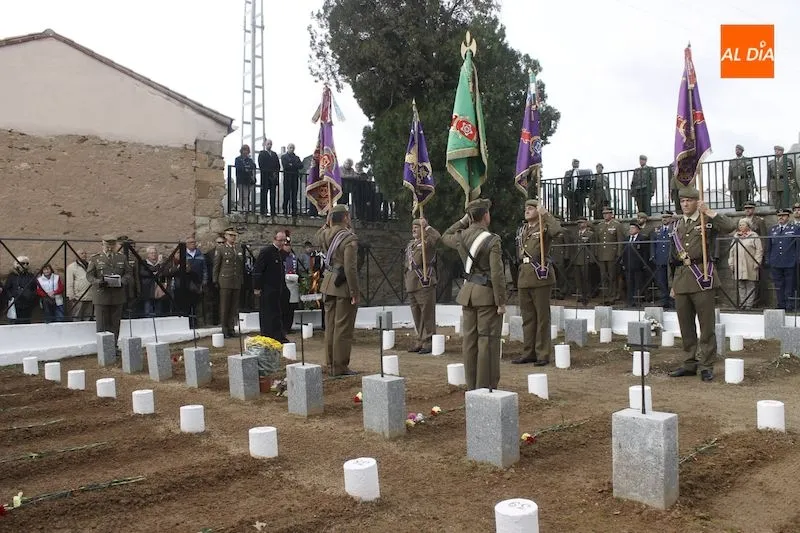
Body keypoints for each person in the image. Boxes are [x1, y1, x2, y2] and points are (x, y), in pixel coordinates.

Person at [668, 187, 735, 382]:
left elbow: (730, 226)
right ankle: (689, 363)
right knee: (685, 326)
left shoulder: (707, 221)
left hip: (702, 277)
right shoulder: (677, 225)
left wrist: (710, 212)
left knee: (706, 326)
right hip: (681, 279)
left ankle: (706, 365)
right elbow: (671, 258)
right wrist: (672, 283)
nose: (685, 204)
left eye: (689, 201)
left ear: (697, 202)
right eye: (683, 201)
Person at [441, 199, 506, 390]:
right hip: (486, 295)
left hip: (468, 293)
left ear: (470, 217)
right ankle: (485, 386)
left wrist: (462, 222)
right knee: (487, 341)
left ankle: (472, 386)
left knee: (470, 342)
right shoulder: (492, 239)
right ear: (486, 215)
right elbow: (497, 273)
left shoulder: (461, 237)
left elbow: (445, 236)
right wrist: (501, 300)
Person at [512, 199, 562, 365]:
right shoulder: (523, 230)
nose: (527, 210)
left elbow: (558, 231)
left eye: (531, 208)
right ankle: (529, 352)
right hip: (524, 275)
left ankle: (542, 353)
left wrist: (546, 214)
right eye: (526, 208)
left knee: (542, 317)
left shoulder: (544, 226)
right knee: (527, 317)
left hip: (540, 274)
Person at [316, 204, 360, 376]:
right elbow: (350, 268)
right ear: (345, 218)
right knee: (343, 328)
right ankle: (340, 366)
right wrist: (354, 292)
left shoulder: (323, 235)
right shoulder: (349, 238)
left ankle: (329, 363)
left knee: (331, 327)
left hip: (327, 283)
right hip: (342, 286)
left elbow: (321, 231)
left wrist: (329, 221)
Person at [86, 235, 132, 343]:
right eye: (107, 246)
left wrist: (122, 281)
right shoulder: (95, 258)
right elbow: (89, 276)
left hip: (117, 295)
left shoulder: (122, 258)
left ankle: (113, 346)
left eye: (112, 245)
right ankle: (103, 347)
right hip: (101, 295)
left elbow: (128, 273)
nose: (109, 248)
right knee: (102, 324)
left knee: (115, 324)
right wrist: (98, 282)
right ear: (102, 245)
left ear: (115, 245)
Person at [404, 217, 440, 354]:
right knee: (416, 313)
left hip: (424, 282)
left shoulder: (428, 243)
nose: (414, 229)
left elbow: (438, 238)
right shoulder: (411, 245)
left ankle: (429, 340)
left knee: (427, 313)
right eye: (413, 227)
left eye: (417, 227)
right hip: (411, 283)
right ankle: (420, 339)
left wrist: (427, 226)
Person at [253, 231, 290, 341]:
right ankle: (268, 335)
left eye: (284, 241)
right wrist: (257, 287)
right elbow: (258, 270)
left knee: (277, 313)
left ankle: (278, 334)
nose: (282, 243)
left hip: (278, 289)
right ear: (274, 239)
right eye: (280, 241)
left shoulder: (280, 253)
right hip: (267, 288)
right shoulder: (267, 252)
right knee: (268, 313)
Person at [213, 228, 244, 338]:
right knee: (225, 306)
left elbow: (240, 266)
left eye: (234, 235)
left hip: (236, 280)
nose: (233, 237)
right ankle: (224, 329)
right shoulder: (221, 249)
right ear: (226, 236)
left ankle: (231, 328)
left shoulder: (238, 248)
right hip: (225, 280)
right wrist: (215, 279)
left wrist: (241, 279)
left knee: (233, 306)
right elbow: (217, 265)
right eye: (230, 235)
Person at [766, 208, 799, 311]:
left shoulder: (794, 228)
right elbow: (769, 246)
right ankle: (781, 304)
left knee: (790, 285)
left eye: (783, 215)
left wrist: (797, 259)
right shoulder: (773, 229)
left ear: (788, 217)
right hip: (776, 262)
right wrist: (768, 259)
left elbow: (798, 246)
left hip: (790, 261)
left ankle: (790, 305)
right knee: (778, 285)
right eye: (779, 216)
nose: (781, 217)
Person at [728, 218, 763, 310]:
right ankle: (742, 303)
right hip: (738, 264)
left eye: (743, 225)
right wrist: (731, 262)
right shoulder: (736, 236)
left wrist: (757, 262)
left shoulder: (754, 235)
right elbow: (731, 250)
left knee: (750, 285)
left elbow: (759, 250)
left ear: (748, 226)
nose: (741, 227)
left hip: (750, 264)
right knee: (741, 284)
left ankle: (749, 305)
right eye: (740, 225)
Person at [595, 207, 624, 304]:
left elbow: (620, 240)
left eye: (607, 213)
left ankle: (613, 295)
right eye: (604, 214)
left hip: (612, 254)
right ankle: (605, 294)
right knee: (603, 275)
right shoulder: (600, 225)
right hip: (602, 254)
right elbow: (597, 240)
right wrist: (596, 253)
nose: (605, 215)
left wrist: (619, 253)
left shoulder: (617, 225)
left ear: (612, 214)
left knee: (612, 275)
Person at [619, 222, 649, 308]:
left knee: (638, 284)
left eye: (633, 228)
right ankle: (630, 301)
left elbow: (645, 252)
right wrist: (623, 263)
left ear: (638, 229)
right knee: (629, 283)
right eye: (630, 228)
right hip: (628, 265)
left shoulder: (642, 238)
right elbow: (623, 253)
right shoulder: (626, 239)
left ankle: (637, 300)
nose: (630, 230)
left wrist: (644, 263)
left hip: (638, 265)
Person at [651, 212, 675, 308]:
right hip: (660, 259)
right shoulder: (657, 230)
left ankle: (672, 300)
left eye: (666, 217)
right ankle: (664, 300)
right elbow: (653, 244)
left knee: (672, 280)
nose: (664, 219)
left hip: (671, 259)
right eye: (663, 217)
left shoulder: (674, 229)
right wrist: (653, 256)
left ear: (671, 218)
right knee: (661, 280)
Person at [3, 256, 37, 324]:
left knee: (26, 322)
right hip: (15, 303)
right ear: (17, 264)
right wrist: (11, 297)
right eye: (23, 263)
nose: (25, 265)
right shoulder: (12, 276)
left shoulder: (30, 275)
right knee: (15, 323)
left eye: (27, 263)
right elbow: (7, 288)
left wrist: (31, 296)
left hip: (27, 303)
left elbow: (35, 288)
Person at [571, 216, 594, 305]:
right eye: (578, 223)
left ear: (586, 223)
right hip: (577, 259)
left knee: (586, 278)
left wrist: (591, 259)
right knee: (578, 278)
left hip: (585, 258)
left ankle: (587, 295)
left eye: (582, 223)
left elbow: (592, 247)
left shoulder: (590, 234)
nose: (580, 225)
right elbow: (573, 247)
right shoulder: (576, 234)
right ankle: (580, 294)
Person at [66, 249, 93, 320]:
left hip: (90, 295)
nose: (84, 255)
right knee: (77, 315)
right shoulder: (71, 267)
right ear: (76, 255)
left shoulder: (91, 265)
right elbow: (69, 282)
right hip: (78, 296)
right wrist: (71, 295)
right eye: (82, 253)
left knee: (88, 316)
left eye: (85, 253)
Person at [728, 144, 755, 211]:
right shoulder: (732, 161)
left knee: (744, 202)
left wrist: (752, 185)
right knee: (736, 203)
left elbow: (751, 174)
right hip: (735, 184)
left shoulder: (747, 160)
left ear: (742, 151)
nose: (737, 151)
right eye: (736, 150)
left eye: (738, 150)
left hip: (744, 183)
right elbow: (730, 175)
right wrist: (730, 187)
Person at [258, 139, 281, 217]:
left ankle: (273, 211)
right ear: (265, 144)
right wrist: (269, 173)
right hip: (265, 177)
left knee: (273, 194)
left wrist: (275, 173)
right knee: (264, 194)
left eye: (270, 144)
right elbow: (261, 164)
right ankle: (263, 210)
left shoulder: (274, 154)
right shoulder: (262, 153)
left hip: (273, 178)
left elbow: (278, 165)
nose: (269, 145)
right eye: (268, 144)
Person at [281, 144, 303, 216]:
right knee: (286, 194)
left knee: (294, 195)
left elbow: (300, 165)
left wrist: (291, 165)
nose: (292, 149)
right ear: (287, 148)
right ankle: (285, 210)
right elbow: (286, 166)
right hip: (287, 178)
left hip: (294, 178)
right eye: (290, 148)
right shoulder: (284, 157)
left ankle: (294, 211)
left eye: (293, 148)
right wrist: (294, 165)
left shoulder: (297, 157)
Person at [235, 144, 256, 212]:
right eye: (244, 150)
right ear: (242, 151)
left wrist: (247, 167)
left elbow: (253, 166)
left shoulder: (249, 160)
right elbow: (239, 167)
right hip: (240, 179)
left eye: (247, 150)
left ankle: (246, 209)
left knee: (246, 196)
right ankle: (240, 209)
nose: (245, 152)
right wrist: (245, 168)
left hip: (247, 180)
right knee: (241, 195)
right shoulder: (238, 159)